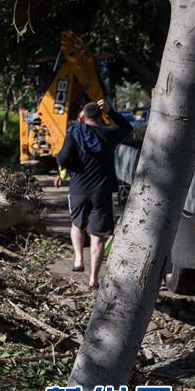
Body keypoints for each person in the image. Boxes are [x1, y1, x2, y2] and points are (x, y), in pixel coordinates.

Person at [54, 99, 133, 288]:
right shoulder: (110, 134)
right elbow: (127, 128)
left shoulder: (74, 133)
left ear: (83, 116)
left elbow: (62, 158)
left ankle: (79, 260)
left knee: (77, 225)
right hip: (102, 191)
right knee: (97, 235)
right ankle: (93, 279)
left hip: (78, 189)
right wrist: (111, 111)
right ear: (100, 115)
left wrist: (73, 168)